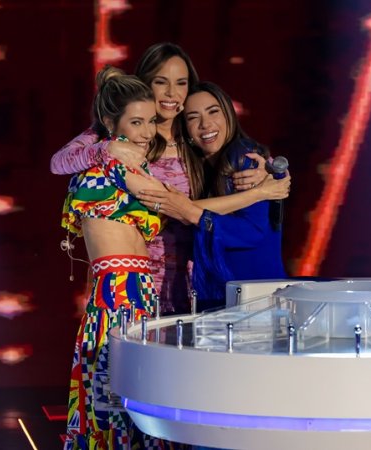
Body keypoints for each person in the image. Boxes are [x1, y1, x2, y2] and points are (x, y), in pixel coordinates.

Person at [52, 43, 279, 314]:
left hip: (194, 288)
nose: (172, 93)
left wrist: (271, 169)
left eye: (181, 83)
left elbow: (231, 158)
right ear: (146, 84)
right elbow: (59, 162)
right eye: (161, 82)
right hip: (140, 289)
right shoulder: (121, 137)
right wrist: (106, 147)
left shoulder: (195, 135)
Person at [61, 66, 183, 450]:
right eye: (137, 122)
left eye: (151, 121)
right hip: (116, 293)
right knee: (113, 402)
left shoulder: (128, 164)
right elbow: (171, 200)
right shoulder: (107, 163)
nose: (148, 132)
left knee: (138, 404)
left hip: (140, 292)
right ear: (111, 123)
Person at [144, 81, 287, 309]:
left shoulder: (244, 157)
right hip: (223, 297)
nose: (205, 124)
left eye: (213, 112)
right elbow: (186, 211)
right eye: (193, 117)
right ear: (186, 131)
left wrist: (196, 215)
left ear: (228, 114)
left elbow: (254, 232)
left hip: (255, 298)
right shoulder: (199, 170)